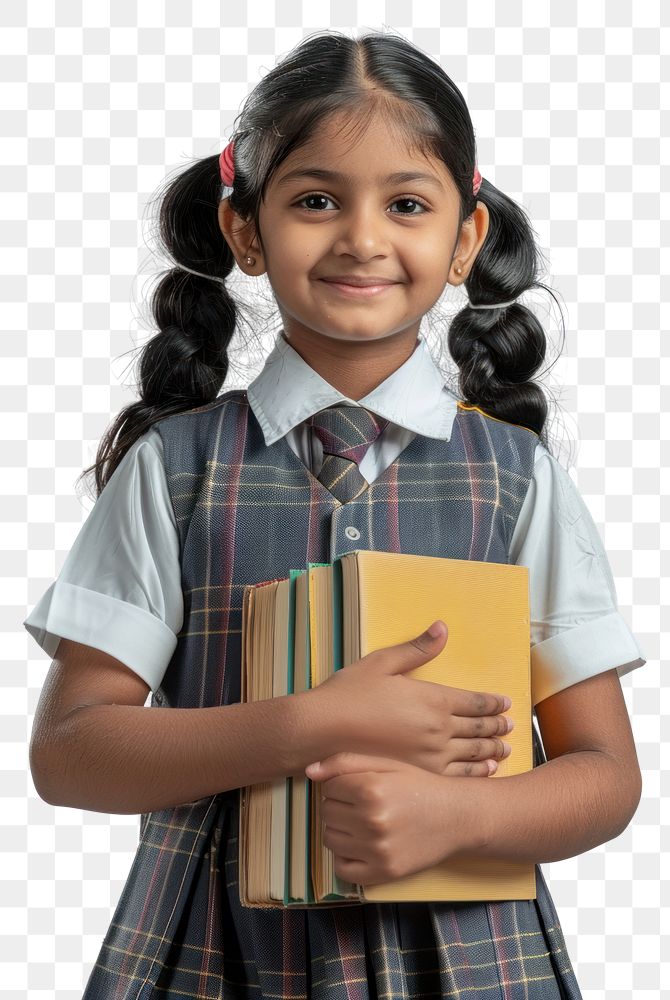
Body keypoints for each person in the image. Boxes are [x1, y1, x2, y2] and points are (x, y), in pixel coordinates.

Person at [24, 29, 647, 1000]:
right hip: (217, 955)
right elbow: (70, 753)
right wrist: (307, 722)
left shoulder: (517, 477)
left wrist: (460, 817)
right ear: (244, 230)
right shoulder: (173, 469)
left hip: (470, 958)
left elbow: (605, 774)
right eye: (316, 200)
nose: (361, 237)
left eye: (406, 204)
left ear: (464, 242)